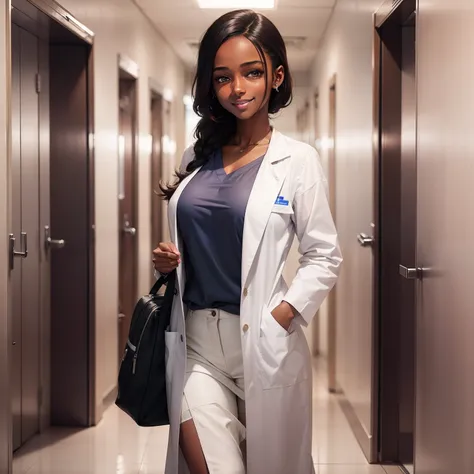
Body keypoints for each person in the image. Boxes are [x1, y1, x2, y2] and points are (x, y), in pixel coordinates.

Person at [153, 9, 342, 474]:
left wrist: (283, 314)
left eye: (251, 73)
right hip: (196, 339)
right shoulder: (197, 156)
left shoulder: (298, 161)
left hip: (264, 339)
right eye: (223, 77)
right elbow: (196, 237)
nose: (237, 88)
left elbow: (324, 256)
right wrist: (168, 261)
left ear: (276, 76)